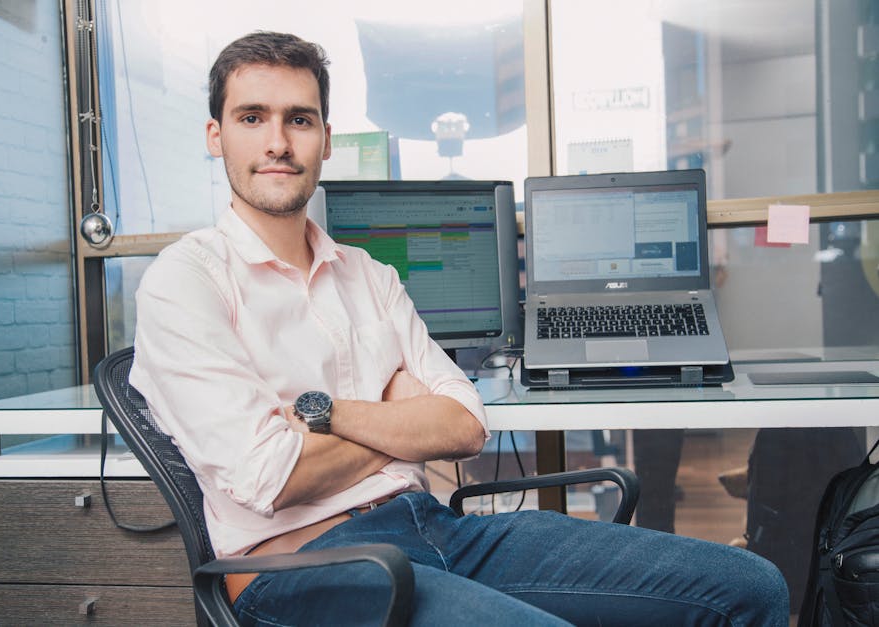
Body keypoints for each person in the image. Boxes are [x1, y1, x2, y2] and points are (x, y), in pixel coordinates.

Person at [130, 30, 789, 626]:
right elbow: (270, 475)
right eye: (253, 118)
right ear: (216, 134)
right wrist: (398, 423)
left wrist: (328, 416)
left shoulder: (366, 274)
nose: (277, 141)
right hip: (304, 567)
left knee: (749, 585)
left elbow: (463, 425)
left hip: (434, 526)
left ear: (325, 138)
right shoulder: (185, 282)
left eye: (298, 119)